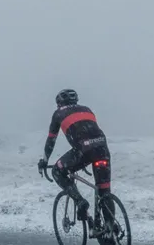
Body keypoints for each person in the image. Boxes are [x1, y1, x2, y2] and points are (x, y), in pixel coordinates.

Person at [37, 89, 114, 237]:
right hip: (102, 149)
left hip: (83, 151)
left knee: (57, 171)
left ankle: (80, 202)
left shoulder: (58, 113)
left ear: (59, 103)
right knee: (104, 191)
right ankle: (110, 229)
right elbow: (89, 131)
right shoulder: (86, 109)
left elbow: (51, 140)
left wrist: (44, 161)